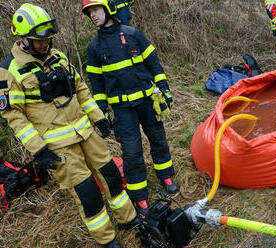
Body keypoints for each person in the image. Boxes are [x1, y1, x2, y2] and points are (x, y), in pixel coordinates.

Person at [0, 3, 138, 248]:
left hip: (85, 132)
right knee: (88, 194)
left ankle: (128, 220)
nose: (45, 44)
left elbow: (81, 90)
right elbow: (15, 116)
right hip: (57, 147)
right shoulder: (8, 71)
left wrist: (98, 118)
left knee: (112, 176)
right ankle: (107, 239)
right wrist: (39, 149)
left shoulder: (59, 57)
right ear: (22, 38)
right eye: (38, 40)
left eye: (48, 39)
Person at [81, 0, 179, 216]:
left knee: (158, 138)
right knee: (132, 153)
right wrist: (102, 111)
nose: (93, 16)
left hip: (147, 101)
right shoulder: (94, 47)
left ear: (108, 9)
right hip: (122, 109)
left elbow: (154, 65)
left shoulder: (133, 34)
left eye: (96, 10)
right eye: (90, 13)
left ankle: (166, 176)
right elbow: (97, 85)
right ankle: (140, 197)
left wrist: (165, 90)